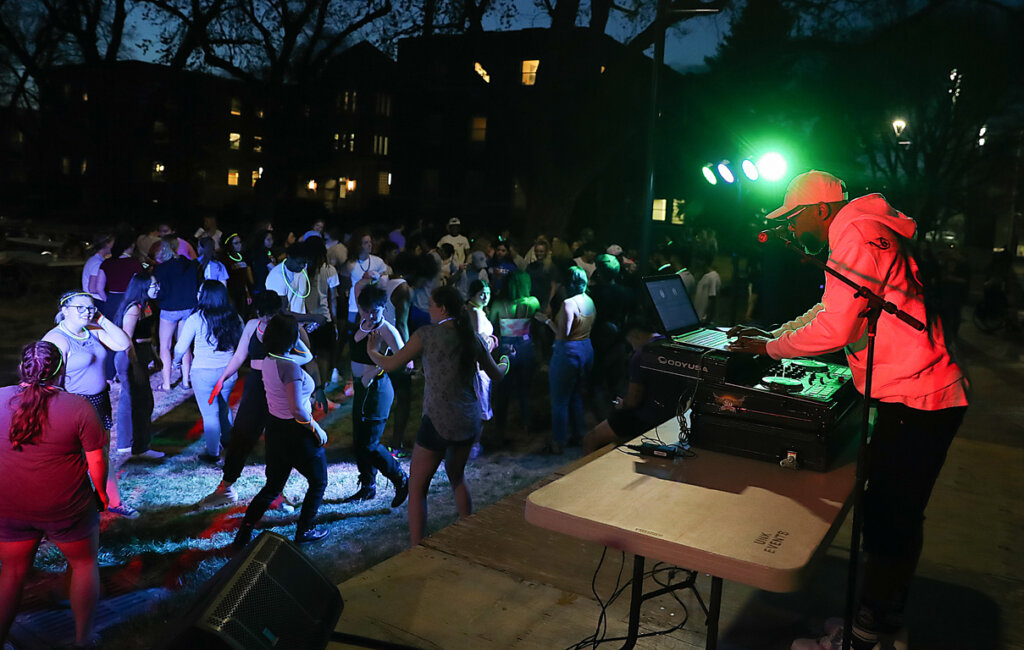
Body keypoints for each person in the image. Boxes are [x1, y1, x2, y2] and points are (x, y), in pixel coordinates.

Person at [726, 170, 969, 650]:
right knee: (896, 518)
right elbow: (831, 311)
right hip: (917, 393)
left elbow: (836, 330)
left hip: (919, 397)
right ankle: (879, 618)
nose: (792, 230)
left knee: (889, 520)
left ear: (819, 210)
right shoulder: (862, 230)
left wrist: (769, 350)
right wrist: (775, 335)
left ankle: (862, 638)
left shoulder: (854, 234)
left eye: (794, 219)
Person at [366, 286, 508, 545]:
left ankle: (418, 547)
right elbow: (497, 375)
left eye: (431, 305)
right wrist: (506, 361)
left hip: (437, 421)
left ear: (442, 309)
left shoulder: (427, 335)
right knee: (457, 478)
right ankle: (470, 533)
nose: (427, 309)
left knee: (417, 488)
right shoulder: (472, 338)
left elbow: (391, 364)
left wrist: (372, 350)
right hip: (467, 420)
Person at [0, 342, 109, 648]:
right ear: (62, 370)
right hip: (66, 507)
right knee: (84, 564)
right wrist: (101, 494)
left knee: (11, 573)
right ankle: (83, 640)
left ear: (22, 369)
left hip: (9, 506)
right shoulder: (78, 407)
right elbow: (97, 462)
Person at [200, 291, 323, 508]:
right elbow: (240, 355)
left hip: (277, 383)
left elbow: (307, 356)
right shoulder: (252, 325)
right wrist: (222, 378)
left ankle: (276, 493)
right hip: (256, 385)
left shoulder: (285, 326)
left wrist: (281, 361)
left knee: (277, 442)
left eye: (271, 315)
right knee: (242, 434)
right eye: (264, 315)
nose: (267, 319)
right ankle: (226, 488)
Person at [233, 314, 330, 547]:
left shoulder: (269, 360)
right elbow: (297, 409)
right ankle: (305, 530)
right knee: (318, 481)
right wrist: (316, 429)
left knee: (273, 486)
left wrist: (292, 336)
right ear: (291, 338)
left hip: (275, 430)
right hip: (297, 432)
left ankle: (244, 533)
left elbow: (306, 356)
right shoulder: (290, 368)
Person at [42, 292, 136, 519]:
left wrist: (100, 318)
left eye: (91, 308)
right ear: (65, 310)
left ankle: (113, 502)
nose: (87, 312)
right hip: (74, 405)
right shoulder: (56, 339)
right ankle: (68, 509)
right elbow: (49, 380)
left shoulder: (92, 329)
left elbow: (123, 344)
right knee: (75, 459)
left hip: (99, 401)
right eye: (80, 308)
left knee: (102, 453)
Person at [343, 285, 409, 505]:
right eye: (366, 311)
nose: (371, 316)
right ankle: (367, 485)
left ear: (383, 308)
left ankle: (400, 478)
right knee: (359, 441)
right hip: (361, 389)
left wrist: (376, 370)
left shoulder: (387, 330)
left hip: (377, 390)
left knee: (370, 443)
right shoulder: (361, 324)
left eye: (375, 311)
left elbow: (404, 361)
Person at [582, 320, 682, 453]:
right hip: (671, 417)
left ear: (636, 335)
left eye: (630, 343)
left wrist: (622, 404)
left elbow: (633, 400)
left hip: (646, 418)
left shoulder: (641, 355)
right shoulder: (671, 345)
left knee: (591, 438)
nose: (632, 348)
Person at [174, 281, 243, 464]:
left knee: (210, 414)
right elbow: (242, 342)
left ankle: (213, 453)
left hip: (203, 373)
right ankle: (228, 442)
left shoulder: (196, 319)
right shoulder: (234, 317)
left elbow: (181, 347)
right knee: (224, 407)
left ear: (205, 296)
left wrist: (176, 361)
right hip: (228, 371)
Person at [536, 266, 595, 454]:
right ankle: (579, 435)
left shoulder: (569, 304)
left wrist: (546, 321)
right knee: (575, 395)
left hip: (568, 353)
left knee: (559, 400)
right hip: (586, 349)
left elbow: (563, 334)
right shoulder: (589, 300)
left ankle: (558, 442)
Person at [113, 272, 164, 460]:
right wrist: (135, 365)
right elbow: (127, 340)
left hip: (141, 354)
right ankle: (139, 446)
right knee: (141, 402)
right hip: (130, 357)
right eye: (153, 285)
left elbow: (147, 335)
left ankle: (126, 444)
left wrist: (155, 356)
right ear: (142, 287)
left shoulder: (147, 305)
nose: (157, 288)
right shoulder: (134, 309)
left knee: (131, 399)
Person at [489, 271, 539, 444]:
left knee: (502, 391)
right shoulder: (533, 302)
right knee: (524, 390)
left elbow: (491, 324)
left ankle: (499, 431)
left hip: (506, 346)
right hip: (525, 346)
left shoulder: (499, 303)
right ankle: (527, 426)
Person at [153, 236, 200, 391]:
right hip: (188, 308)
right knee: (184, 344)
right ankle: (185, 382)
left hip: (169, 309)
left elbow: (161, 292)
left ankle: (166, 384)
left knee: (165, 346)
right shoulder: (191, 265)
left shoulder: (162, 268)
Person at [222, 232, 254, 317]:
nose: (239, 245)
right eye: (236, 243)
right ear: (230, 245)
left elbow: (244, 277)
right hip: (231, 292)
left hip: (242, 291)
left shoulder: (242, 257)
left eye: (240, 242)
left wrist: (247, 293)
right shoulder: (225, 260)